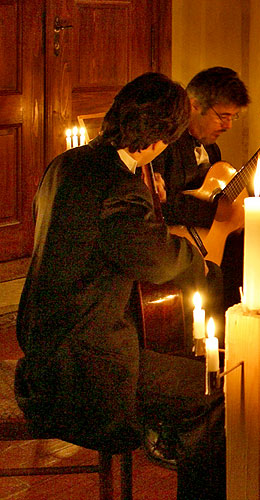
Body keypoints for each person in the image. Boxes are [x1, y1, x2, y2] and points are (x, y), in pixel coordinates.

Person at [14, 72, 234, 499]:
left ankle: (168, 433)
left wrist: (148, 200)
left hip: (41, 345)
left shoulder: (68, 163)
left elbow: (95, 239)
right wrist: (203, 260)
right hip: (83, 370)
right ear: (162, 138)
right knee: (214, 388)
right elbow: (159, 262)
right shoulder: (119, 186)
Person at [153, 66, 260, 312]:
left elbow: (229, 203)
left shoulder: (212, 149)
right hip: (177, 241)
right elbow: (159, 203)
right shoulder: (165, 144)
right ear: (193, 105)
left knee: (255, 240)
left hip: (210, 237)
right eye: (222, 116)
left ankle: (246, 318)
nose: (228, 126)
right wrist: (212, 212)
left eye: (233, 117)